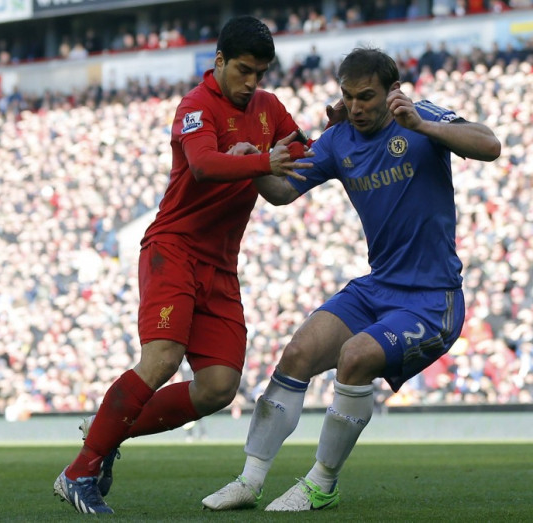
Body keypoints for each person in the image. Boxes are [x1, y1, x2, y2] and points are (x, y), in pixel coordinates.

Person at [202, 46, 501, 512]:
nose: (357, 107)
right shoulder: (339, 139)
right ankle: (249, 480)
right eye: (349, 96)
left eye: (366, 97)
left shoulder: (420, 119)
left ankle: (322, 482)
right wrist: (256, 163)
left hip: (431, 298)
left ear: (392, 93)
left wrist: (423, 126)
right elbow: (282, 192)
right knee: (298, 352)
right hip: (378, 287)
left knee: (355, 356)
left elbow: (489, 144)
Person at [53, 15, 316, 515]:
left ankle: (107, 434)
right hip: (173, 248)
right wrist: (262, 160)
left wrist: (325, 138)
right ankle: (79, 470)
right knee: (162, 358)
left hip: (220, 264)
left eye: (260, 73)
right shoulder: (196, 106)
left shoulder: (269, 107)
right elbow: (203, 164)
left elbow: (298, 159)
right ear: (218, 61)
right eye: (243, 70)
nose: (252, 82)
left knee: (219, 387)